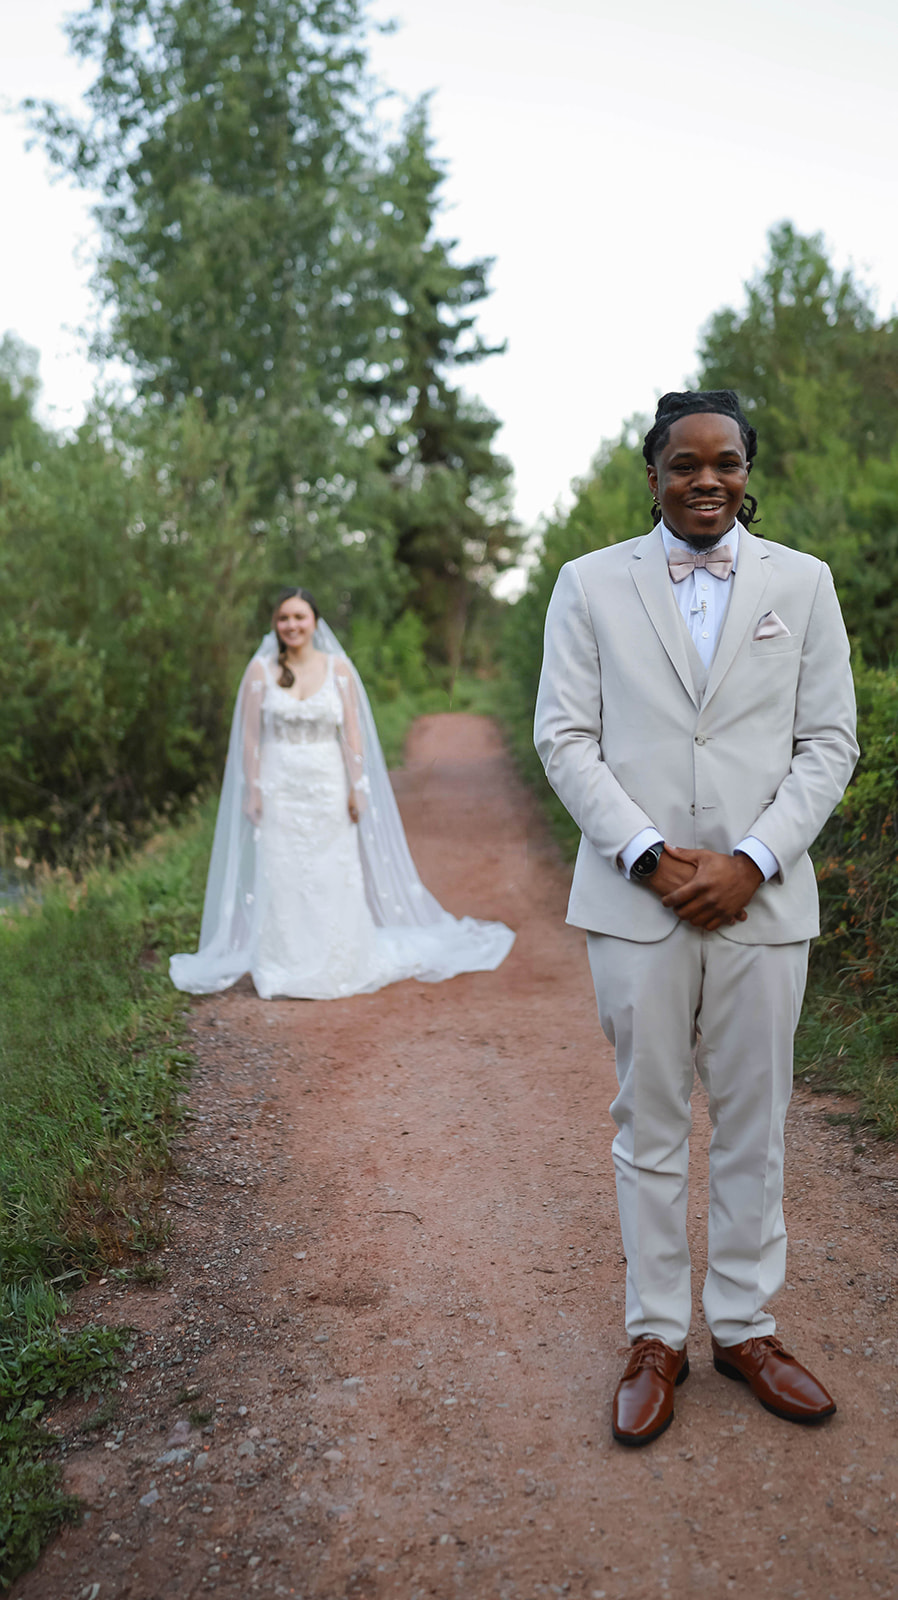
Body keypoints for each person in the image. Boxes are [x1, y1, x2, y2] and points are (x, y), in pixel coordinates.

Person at [534, 391, 858, 1447]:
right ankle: (654, 1336)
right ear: (655, 474)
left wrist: (755, 860)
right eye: (683, 464)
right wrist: (645, 854)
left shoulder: (802, 585)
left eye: (723, 462)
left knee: (757, 1126)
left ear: (746, 471)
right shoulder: (587, 584)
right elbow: (566, 736)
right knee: (651, 1120)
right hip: (638, 902)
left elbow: (828, 744)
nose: (704, 479)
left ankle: (747, 1328)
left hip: (763, 901)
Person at [170, 587, 514, 999]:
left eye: (299, 617)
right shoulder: (259, 672)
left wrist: (357, 786)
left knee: (332, 868)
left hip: (327, 783)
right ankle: (283, 965)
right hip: (280, 786)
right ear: (275, 625)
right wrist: (254, 791)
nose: (292, 625)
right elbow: (249, 739)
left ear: (315, 621)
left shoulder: (338, 669)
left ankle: (340, 961)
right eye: (284, 618)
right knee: (282, 872)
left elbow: (352, 733)